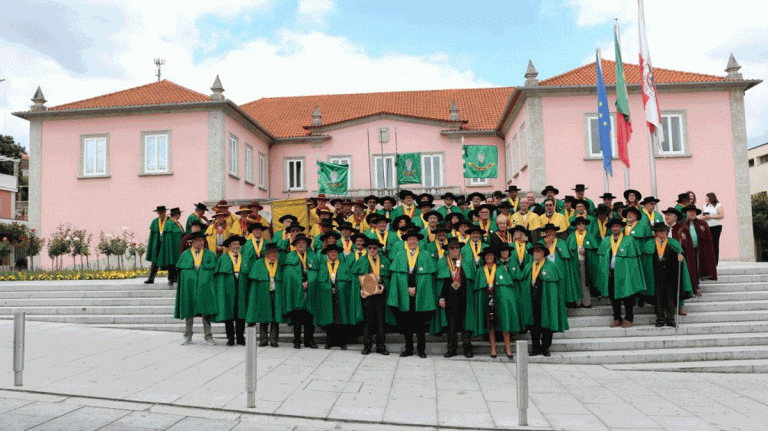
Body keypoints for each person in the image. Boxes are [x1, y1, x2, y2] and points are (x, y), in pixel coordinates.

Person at [387, 230, 437, 358]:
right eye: (410, 239)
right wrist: (406, 289)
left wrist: (417, 289)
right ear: (406, 241)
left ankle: (421, 349)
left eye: (414, 239)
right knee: (406, 322)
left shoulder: (425, 255)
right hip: (405, 294)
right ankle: (408, 348)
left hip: (420, 293)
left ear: (418, 241)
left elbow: (428, 278)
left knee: (420, 323)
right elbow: (397, 277)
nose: (412, 242)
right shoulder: (399, 255)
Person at [468, 248, 519, 359]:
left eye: (491, 255)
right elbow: (478, 288)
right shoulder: (481, 270)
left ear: (494, 257)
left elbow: (507, 286)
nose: (489, 258)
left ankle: (508, 347)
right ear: (484, 258)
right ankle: (493, 348)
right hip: (487, 299)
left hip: (499, 299)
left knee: (504, 322)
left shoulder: (501, 269)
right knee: (490, 324)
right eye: (486, 256)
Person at [640, 223, 694, 327]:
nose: (662, 233)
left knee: (671, 299)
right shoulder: (649, 244)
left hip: (670, 276)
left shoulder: (673, 243)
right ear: (655, 233)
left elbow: (680, 258)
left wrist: (680, 259)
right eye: (659, 231)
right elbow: (646, 263)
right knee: (658, 299)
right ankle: (660, 319)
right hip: (656, 276)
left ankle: (670, 319)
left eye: (664, 231)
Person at [596, 218, 646, 328]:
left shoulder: (629, 240)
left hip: (626, 273)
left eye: (617, 226)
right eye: (613, 226)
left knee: (628, 297)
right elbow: (602, 258)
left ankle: (629, 318)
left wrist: (632, 274)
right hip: (611, 273)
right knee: (614, 297)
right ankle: (617, 318)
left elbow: (633, 261)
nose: (615, 228)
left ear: (621, 227)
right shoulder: (606, 241)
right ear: (610, 228)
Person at [522, 243, 567, 357]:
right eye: (535, 252)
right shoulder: (528, 266)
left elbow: (556, 286)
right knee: (534, 324)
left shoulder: (550, 266)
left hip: (545, 298)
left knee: (546, 323)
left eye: (539, 251)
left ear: (544, 253)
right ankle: (535, 347)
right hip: (531, 299)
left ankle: (545, 347)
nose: (536, 254)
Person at [315, 244, 362, 350]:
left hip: (340, 295)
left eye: (335, 252)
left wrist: (339, 288)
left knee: (340, 318)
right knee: (329, 318)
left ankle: (342, 341)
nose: (333, 254)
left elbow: (348, 282)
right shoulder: (322, 266)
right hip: (326, 295)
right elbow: (319, 282)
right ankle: (330, 341)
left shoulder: (344, 265)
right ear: (327, 254)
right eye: (331, 252)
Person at [175, 231, 217, 345]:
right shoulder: (185, 255)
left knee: (206, 311)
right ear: (192, 242)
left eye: (202, 240)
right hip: (189, 288)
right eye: (198, 240)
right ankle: (188, 336)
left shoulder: (210, 254)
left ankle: (208, 336)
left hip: (205, 287)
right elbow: (182, 274)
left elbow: (214, 272)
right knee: (188, 311)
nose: (200, 243)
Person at [437, 237, 474, 358]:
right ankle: (451, 348)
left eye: (457, 247)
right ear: (448, 249)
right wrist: (441, 298)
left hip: (464, 297)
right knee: (451, 326)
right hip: (450, 298)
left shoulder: (465, 261)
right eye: (452, 248)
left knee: (466, 325)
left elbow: (471, 279)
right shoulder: (443, 262)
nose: (454, 250)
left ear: (459, 249)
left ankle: (467, 348)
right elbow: (440, 282)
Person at [354, 239, 391, 355]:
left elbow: (389, 276)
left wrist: (384, 286)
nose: (372, 250)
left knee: (380, 321)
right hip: (368, 295)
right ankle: (367, 346)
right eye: (370, 248)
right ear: (367, 249)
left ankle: (381, 346)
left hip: (380, 294)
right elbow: (357, 276)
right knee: (368, 321)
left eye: (374, 248)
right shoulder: (361, 260)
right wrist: (360, 289)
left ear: (378, 249)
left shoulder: (384, 260)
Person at [672, 205, 718, 296]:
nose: (691, 213)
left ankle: (696, 287)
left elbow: (708, 238)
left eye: (693, 211)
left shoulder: (702, 224)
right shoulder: (681, 225)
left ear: (696, 213)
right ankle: (691, 289)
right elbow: (676, 237)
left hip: (699, 250)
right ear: (686, 213)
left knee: (697, 269)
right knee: (689, 270)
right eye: (689, 211)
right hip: (687, 251)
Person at [282, 234, 318, 349]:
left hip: (309, 289)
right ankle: (296, 341)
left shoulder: (312, 256)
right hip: (297, 290)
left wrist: (310, 281)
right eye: (298, 243)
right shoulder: (290, 256)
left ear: (307, 244)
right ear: (295, 245)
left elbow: (315, 272)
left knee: (309, 316)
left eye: (303, 243)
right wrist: (300, 284)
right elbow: (289, 275)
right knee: (297, 317)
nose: (301, 245)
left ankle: (309, 340)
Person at [214, 235, 249, 346]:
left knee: (241, 313)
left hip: (242, 288)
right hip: (227, 290)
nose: (236, 246)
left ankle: (240, 337)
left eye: (238, 244)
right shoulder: (223, 259)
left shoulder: (245, 258)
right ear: (229, 246)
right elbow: (218, 277)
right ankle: (230, 338)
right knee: (228, 312)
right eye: (234, 244)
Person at [247, 243, 283, 347]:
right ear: (266, 254)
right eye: (271, 253)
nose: (273, 255)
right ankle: (263, 339)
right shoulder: (259, 263)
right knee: (263, 316)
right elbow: (254, 283)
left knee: (275, 317)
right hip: (263, 292)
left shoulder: (280, 263)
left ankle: (274, 340)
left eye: (275, 253)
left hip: (276, 293)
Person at [539, 223, 581, 307]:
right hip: (545, 269)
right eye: (548, 232)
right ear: (545, 233)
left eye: (552, 231)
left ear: (555, 232)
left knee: (561, 288)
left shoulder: (561, 242)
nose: (550, 234)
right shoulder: (541, 243)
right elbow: (539, 256)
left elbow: (566, 257)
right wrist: (547, 245)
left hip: (559, 269)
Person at [566, 217, 599, 308]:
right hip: (574, 262)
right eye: (579, 224)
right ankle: (577, 301)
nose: (581, 226)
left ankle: (586, 302)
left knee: (585, 282)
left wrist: (587, 250)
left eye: (583, 224)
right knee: (576, 281)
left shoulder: (589, 235)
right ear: (576, 226)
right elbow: (568, 249)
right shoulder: (571, 236)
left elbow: (595, 248)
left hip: (586, 261)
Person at [158, 207, 185, 286]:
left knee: (176, 262)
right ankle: (171, 278)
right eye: (179, 214)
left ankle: (176, 277)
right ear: (177, 214)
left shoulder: (176, 223)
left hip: (177, 246)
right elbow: (170, 236)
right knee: (172, 262)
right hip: (172, 247)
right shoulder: (170, 223)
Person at [145, 205, 167, 284]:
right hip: (157, 244)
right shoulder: (155, 221)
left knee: (169, 261)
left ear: (165, 212)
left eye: (162, 212)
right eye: (159, 212)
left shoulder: (169, 221)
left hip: (166, 244)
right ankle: (151, 279)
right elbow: (152, 235)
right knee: (154, 262)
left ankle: (171, 279)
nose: (160, 213)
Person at [701, 192, 724, 264]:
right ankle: (709, 260)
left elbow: (721, 215)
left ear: (710, 197)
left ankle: (715, 261)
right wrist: (704, 217)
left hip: (716, 226)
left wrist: (711, 216)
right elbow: (701, 217)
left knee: (715, 242)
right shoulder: (705, 206)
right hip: (707, 226)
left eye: (706, 197)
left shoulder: (718, 205)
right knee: (708, 243)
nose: (705, 198)